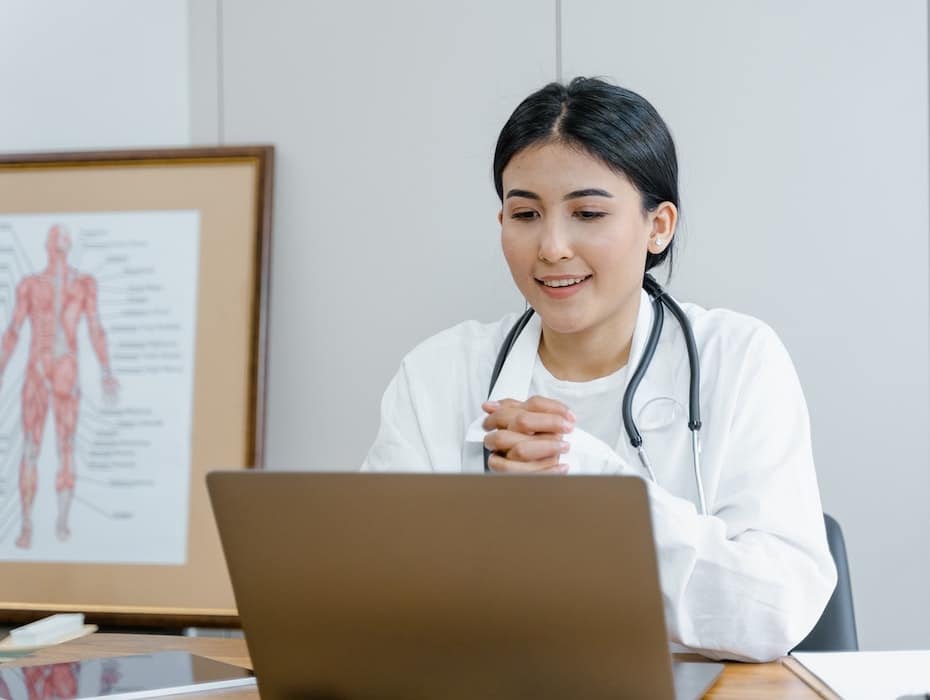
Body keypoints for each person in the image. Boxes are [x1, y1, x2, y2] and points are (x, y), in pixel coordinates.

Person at [362, 77, 836, 662]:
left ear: (659, 226)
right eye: (525, 213)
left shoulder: (736, 359)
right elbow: (374, 599)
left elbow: (775, 610)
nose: (552, 246)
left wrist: (598, 489)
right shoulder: (438, 373)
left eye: (587, 212)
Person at [0, 225, 119, 548]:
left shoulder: (83, 285)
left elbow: (95, 328)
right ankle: (28, 526)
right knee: (32, 448)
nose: (57, 248)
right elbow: (12, 331)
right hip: (39, 369)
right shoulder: (31, 285)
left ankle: (61, 523)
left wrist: (107, 369)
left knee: (64, 447)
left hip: (63, 367)